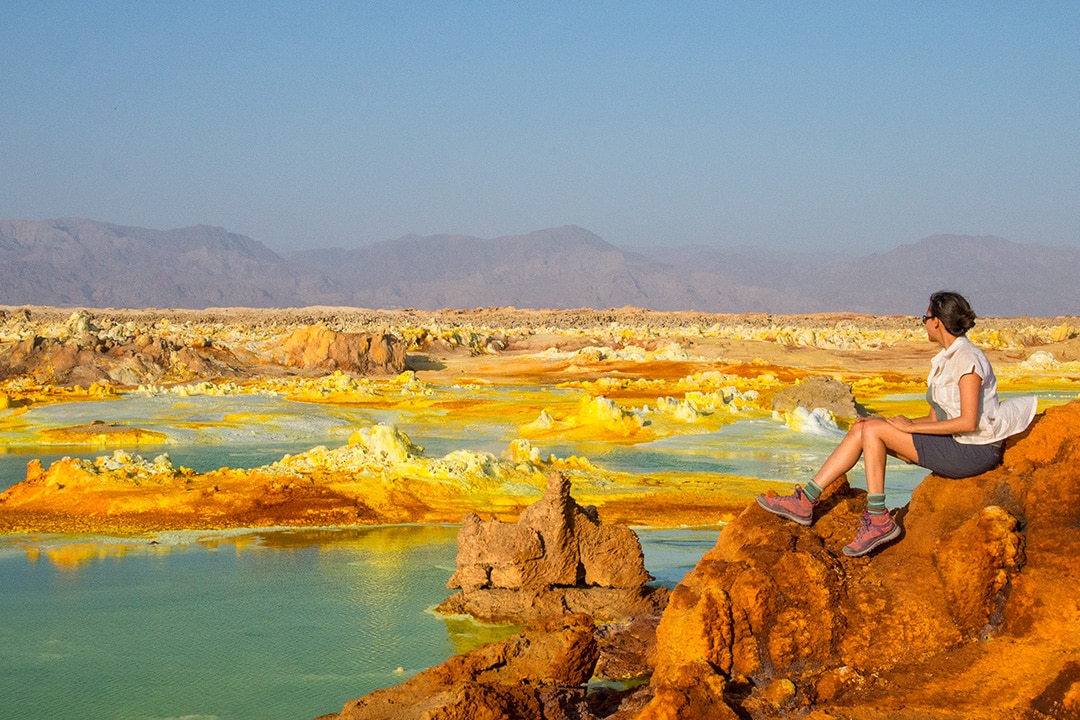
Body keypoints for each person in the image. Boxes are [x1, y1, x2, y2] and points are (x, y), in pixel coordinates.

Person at [757, 291, 1037, 557]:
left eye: (925, 318)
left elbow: (966, 421)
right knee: (863, 428)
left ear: (937, 321)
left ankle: (877, 518)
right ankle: (806, 500)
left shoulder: (967, 359)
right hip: (956, 442)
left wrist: (909, 428)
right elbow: (934, 418)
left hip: (973, 450)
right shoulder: (945, 360)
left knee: (874, 430)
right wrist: (894, 423)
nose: (924, 324)